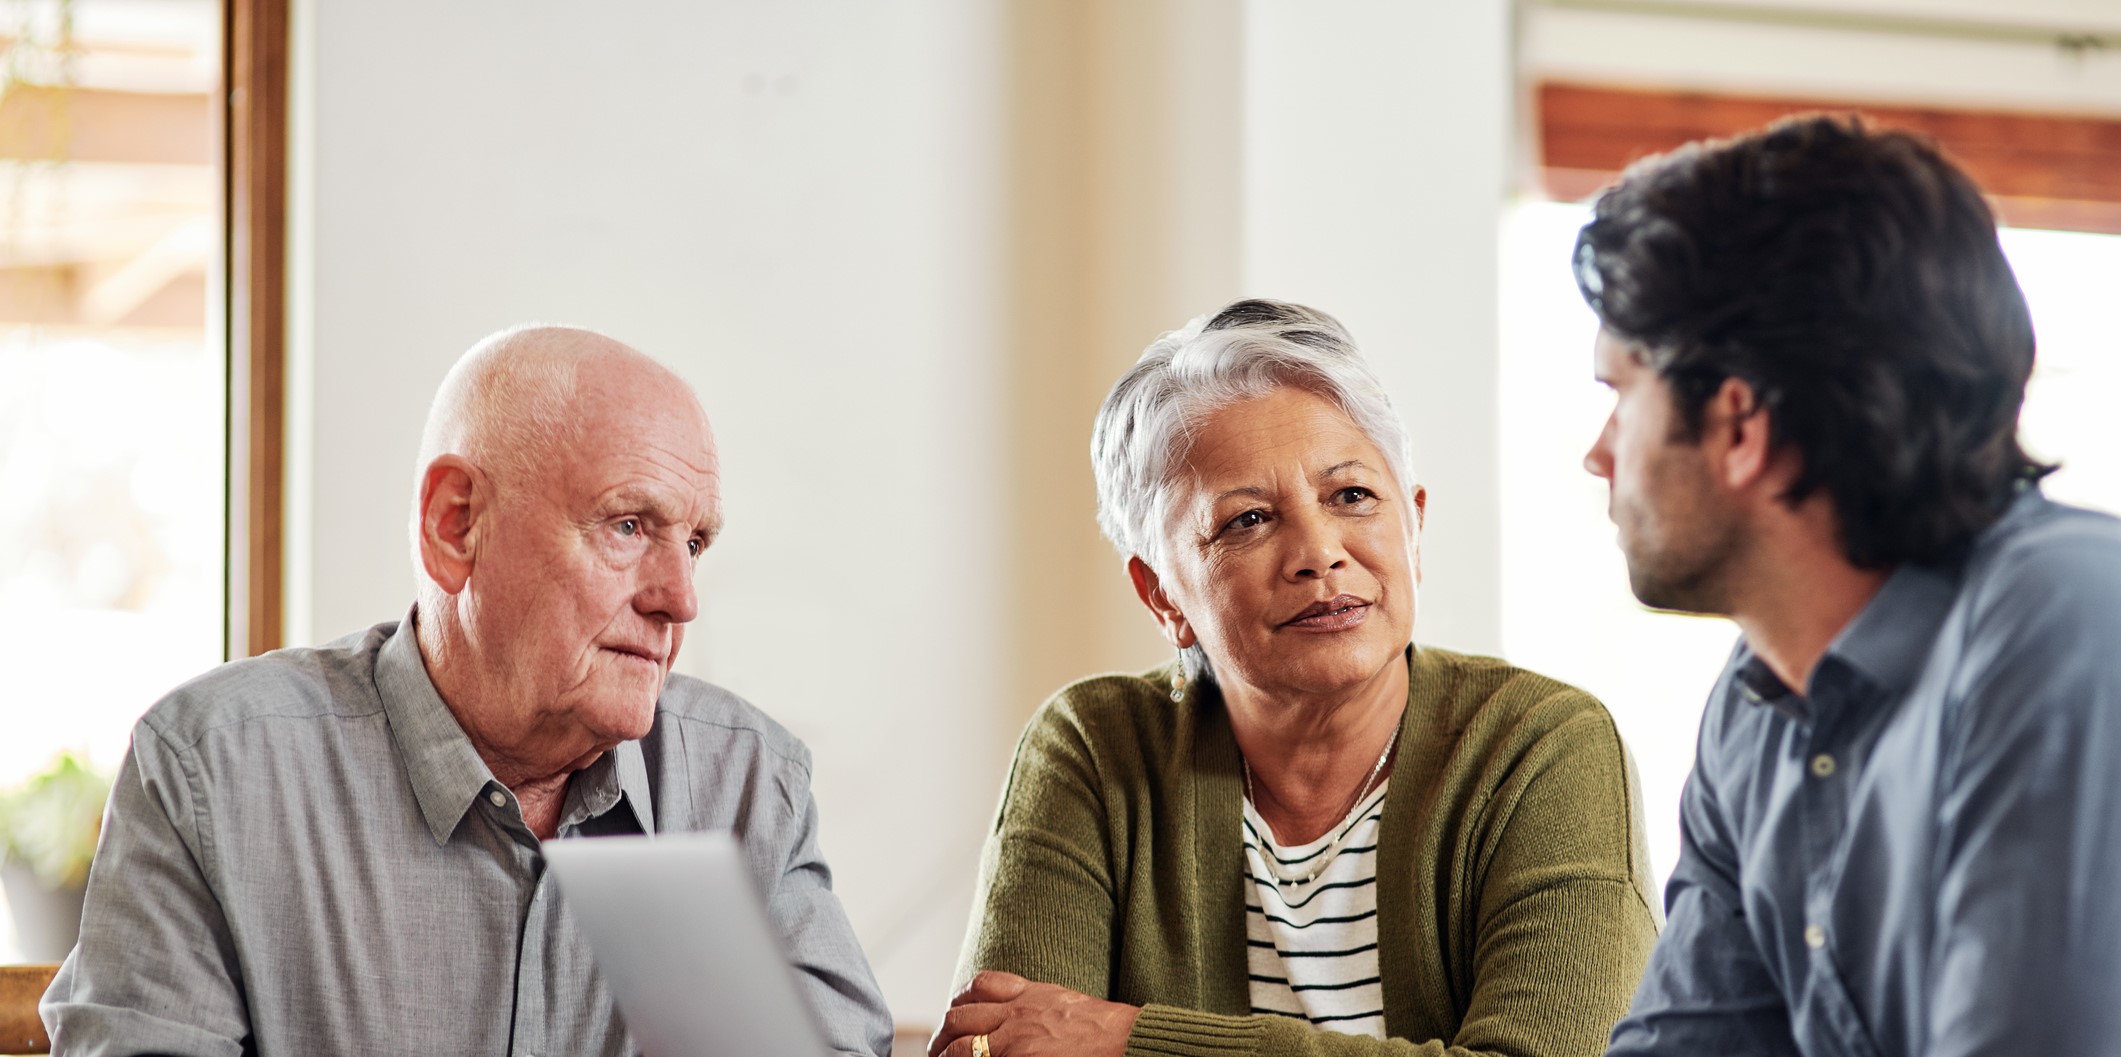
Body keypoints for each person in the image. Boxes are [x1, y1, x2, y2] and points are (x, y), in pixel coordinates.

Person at [41, 326, 894, 1057]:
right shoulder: (214, 773)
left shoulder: (748, 786)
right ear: (457, 524)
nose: (680, 597)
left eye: (695, 542)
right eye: (628, 526)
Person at [933, 300, 1659, 1057]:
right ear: (1162, 595)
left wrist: (1131, 1040)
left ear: (1412, 529)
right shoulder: (1093, 747)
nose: (1318, 551)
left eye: (1351, 496)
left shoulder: (1539, 744)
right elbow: (1006, 1046)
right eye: (1246, 519)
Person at [1578, 115, 2121, 1057]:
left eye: (1621, 396)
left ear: (1739, 425)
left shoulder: (2066, 619)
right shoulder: (1758, 696)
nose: (1596, 455)